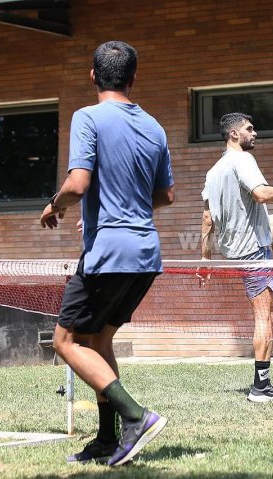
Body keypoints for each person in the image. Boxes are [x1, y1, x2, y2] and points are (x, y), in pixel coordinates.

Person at [40, 40, 174, 465]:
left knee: (65, 341)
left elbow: (78, 184)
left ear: (93, 75)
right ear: (133, 79)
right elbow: (165, 195)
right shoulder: (154, 127)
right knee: (99, 339)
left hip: (108, 254)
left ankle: (136, 417)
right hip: (145, 253)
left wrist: (54, 204)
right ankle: (106, 438)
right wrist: (118, 210)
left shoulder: (87, 117)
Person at [199, 112, 273, 402]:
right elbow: (261, 194)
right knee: (265, 317)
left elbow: (207, 218)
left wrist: (205, 261)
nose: (255, 133)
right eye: (249, 129)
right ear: (234, 134)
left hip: (239, 244)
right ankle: (260, 387)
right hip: (253, 250)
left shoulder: (213, 171)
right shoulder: (242, 160)